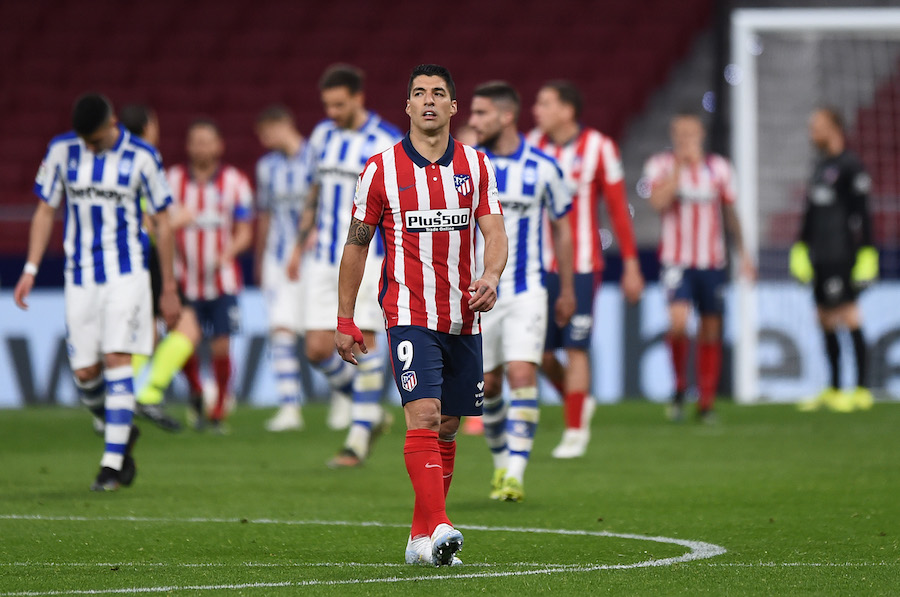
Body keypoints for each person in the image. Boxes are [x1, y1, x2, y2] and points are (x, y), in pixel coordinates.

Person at [336, 64, 506, 566]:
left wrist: (491, 274)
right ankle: (440, 526)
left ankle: (418, 538)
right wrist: (345, 317)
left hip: (463, 314)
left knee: (449, 425)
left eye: (438, 94)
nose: (428, 100)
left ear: (454, 108)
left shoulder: (475, 166)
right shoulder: (380, 169)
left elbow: (493, 232)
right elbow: (356, 246)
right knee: (425, 415)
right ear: (406, 106)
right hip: (408, 312)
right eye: (418, 93)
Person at [14, 93, 180, 490]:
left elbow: (164, 223)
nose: (88, 146)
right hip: (80, 276)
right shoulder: (61, 151)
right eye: (84, 140)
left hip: (127, 274)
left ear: (112, 122)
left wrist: (169, 288)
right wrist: (30, 268)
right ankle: (120, 432)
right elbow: (44, 210)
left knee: (117, 357)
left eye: (95, 139)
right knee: (86, 372)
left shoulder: (142, 156)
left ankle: (111, 465)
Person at [287, 64, 402, 466]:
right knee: (317, 349)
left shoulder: (385, 142)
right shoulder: (321, 136)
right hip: (323, 258)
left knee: (363, 342)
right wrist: (298, 247)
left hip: (369, 255)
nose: (332, 112)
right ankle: (371, 413)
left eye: (339, 104)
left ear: (358, 98)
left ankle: (356, 440)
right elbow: (313, 193)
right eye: (327, 105)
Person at [468, 81, 575, 501]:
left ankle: (515, 472)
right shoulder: (470, 167)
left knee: (521, 372)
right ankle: (499, 467)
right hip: (480, 293)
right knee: (489, 386)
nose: (472, 121)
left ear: (505, 115)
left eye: (480, 114)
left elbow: (563, 228)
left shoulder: (544, 167)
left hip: (528, 289)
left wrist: (565, 288)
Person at [527, 80, 644, 458]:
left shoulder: (600, 148)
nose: (537, 110)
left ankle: (575, 431)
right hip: (536, 266)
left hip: (580, 267)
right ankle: (578, 400)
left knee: (576, 348)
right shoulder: (531, 145)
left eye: (545, 103)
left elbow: (617, 208)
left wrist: (630, 264)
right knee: (541, 355)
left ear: (567, 110)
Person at [644, 111, 756, 422]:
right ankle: (680, 385)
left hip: (712, 261)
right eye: (679, 134)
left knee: (711, 328)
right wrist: (680, 168)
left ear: (701, 135)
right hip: (676, 261)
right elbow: (657, 203)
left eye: (690, 134)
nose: (685, 140)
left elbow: (731, 212)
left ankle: (705, 402)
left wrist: (744, 254)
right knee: (679, 323)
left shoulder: (719, 168)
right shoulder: (661, 166)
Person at [168, 119, 254, 432]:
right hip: (183, 279)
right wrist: (174, 222)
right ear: (188, 146)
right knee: (183, 344)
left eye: (207, 141)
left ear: (219, 146)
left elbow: (246, 231)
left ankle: (217, 411)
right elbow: (157, 224)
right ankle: (196, 391)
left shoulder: (235, 182)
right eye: (196, 141)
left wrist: (228, 253)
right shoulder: (172, 181)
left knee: (220, 346)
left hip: (222, 282)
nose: (201, 147)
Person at [791, 107, 877, 412]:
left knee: (848, 315)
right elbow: (811, 213)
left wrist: (867, 251)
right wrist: (800, 246)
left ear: (834, 128)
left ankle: (863, 389)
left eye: (817, 127)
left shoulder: (851, 166)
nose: (812, 132)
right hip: (820, 255)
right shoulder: (819, 167)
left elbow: (863, 213)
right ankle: (835, 386)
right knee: (824, 318)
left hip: (844, 254)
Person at [119, 103, 198, 433]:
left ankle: (125, 399)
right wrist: (178, 219)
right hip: (147, 259)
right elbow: (148, 222)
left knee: (146, 334)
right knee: (188, 327)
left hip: (128, 261)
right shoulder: (145, 159)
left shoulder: (116, 160)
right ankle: (146, 393)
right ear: (149, 126)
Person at [255, 105, 314, 431]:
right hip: (278, 260)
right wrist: (261, 257)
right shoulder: (267, 168)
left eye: (265, 133)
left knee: (322, 334)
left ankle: (344, 400)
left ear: (280, 126)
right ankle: (289, 407)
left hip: (314, 258)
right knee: (280, 329)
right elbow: (264, 214)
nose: (264, 141)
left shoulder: (314, 159)